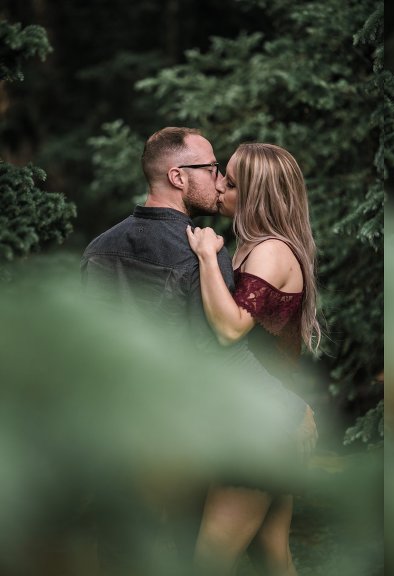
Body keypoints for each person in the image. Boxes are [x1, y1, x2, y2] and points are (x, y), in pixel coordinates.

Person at [81, 128, 316, 575]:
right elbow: (222, 350)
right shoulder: (201, 253)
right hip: (223, 422)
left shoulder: (98, 250)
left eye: (225, 175)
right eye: (212, 170)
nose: (219, 181)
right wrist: (290, 406)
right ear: (177, 176)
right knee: (262, 555)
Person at [186, 142, 321, 576]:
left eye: (230, 179)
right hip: (269, 416)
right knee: (271, 556)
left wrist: (207, 255)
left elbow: (229, 329)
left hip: (263, 428)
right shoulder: (255, 247)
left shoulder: (271, 251)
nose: (219, 183)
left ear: (254, 193)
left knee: (210, 560)